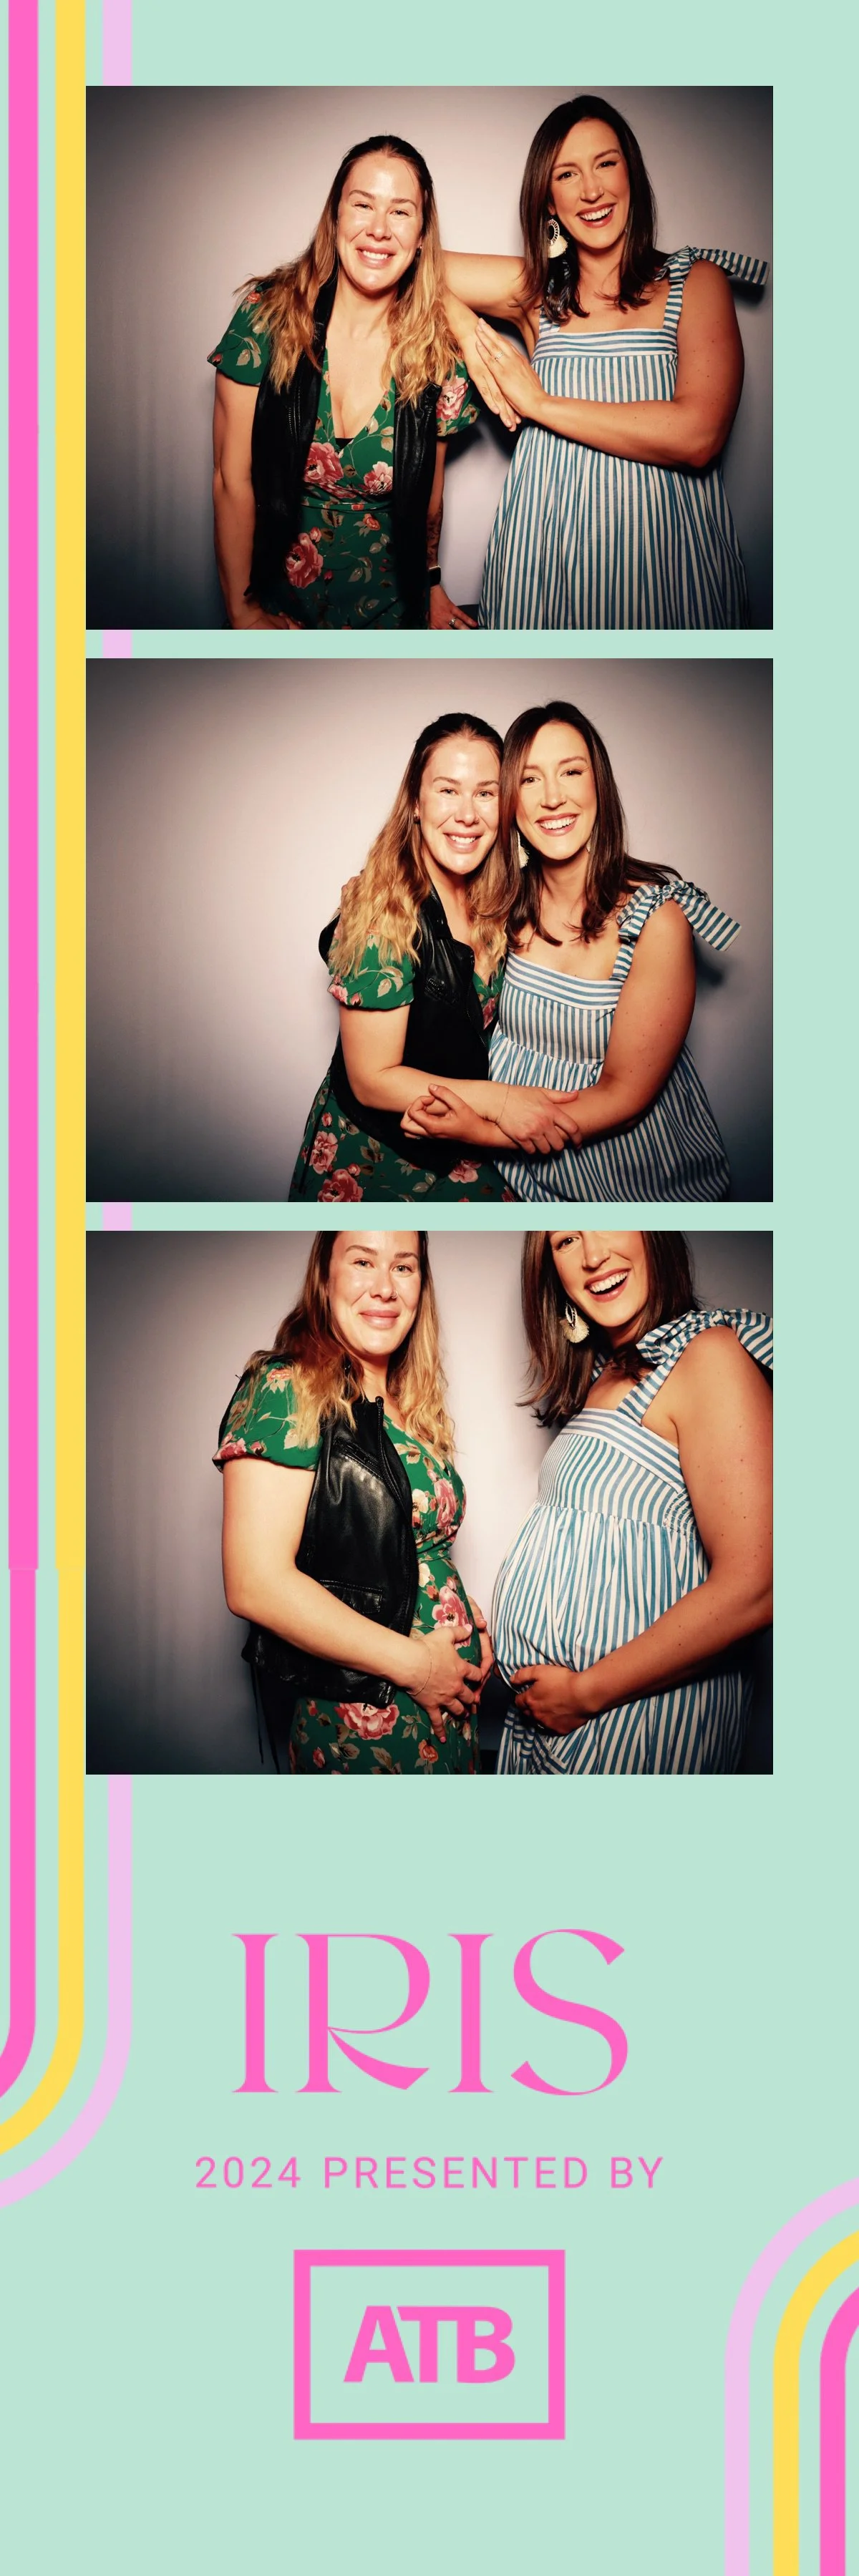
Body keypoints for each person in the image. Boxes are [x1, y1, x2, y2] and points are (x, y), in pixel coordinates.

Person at [442, 94, 768, 630]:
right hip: (543, 563)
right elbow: (399, 260)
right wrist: (462, 326)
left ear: (631, 175)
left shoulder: (696, 282)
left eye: (606, 164)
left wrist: (539, 403)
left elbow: (699, 436)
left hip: (668, 567)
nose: (591, 190)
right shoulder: (536, 291)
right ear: (548, 200)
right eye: (567, 174)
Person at [404, 701, 737, 1203]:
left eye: (571, 772)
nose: (553, 798)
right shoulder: (498, 900)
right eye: (532, 780)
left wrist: (479, 1131)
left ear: (597, 786)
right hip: (514, 1176)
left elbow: (624, 1097)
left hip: (623, 1178)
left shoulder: (656, 921)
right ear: (510, 800)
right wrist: (372, 893)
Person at [491, 1231, 772, 1775]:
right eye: (566, 1240)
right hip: (562, 1727)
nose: (593, 1256)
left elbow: (758, 1585)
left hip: (633, 1727)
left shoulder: (708, 1356)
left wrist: (586, 1692)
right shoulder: (604, 1373)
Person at [215, 1231, 492, 1774]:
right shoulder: (286, 1386)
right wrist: (418, 1666)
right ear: (325, 1277)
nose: (385, 1287)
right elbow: (256, 1583)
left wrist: (467, 1622)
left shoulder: (408, 1407)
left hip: (447, 1713)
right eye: (363, 1261)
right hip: (364, 1719)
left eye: (405, 1267)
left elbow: (400, 1550)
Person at [288, 712, 585, 1202]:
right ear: (416, 804)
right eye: (448, 790)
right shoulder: (384, 911)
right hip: (380, 1158)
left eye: (486, 793)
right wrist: (504, 1101)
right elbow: (372, 1081)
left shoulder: (500, 896)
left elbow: (574, 866)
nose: (467, 814)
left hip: (464, 1128)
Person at [208, 133, 482, 631]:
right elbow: (232, 478)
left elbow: (430, 499)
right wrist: (242, 613)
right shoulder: (267, 317)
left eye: (400, 212)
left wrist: (432, 583)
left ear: (422, 234)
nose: (379, 229)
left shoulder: (439, 352)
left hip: (390, 614)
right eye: (363, 205)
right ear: (335, 216)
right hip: (279, 610)